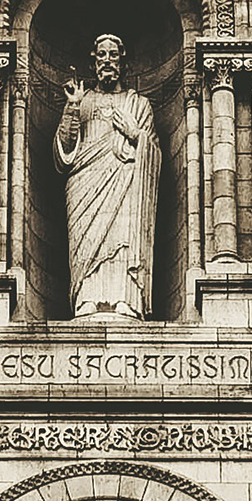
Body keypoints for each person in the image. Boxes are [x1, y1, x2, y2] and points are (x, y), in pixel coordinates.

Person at [54, 33, 160, 317]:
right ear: (94, 62)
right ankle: (86, 297)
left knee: (122, 237)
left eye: (113, 55)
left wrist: (135, 134)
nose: (107, 61)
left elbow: (153, 154)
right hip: (84, 184)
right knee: (87, 240)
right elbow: (65, 151)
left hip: (125, 181)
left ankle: (126, 298)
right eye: (101, 55)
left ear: (122, 63)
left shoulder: (139, 104)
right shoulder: (82, 100)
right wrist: (72, 107)